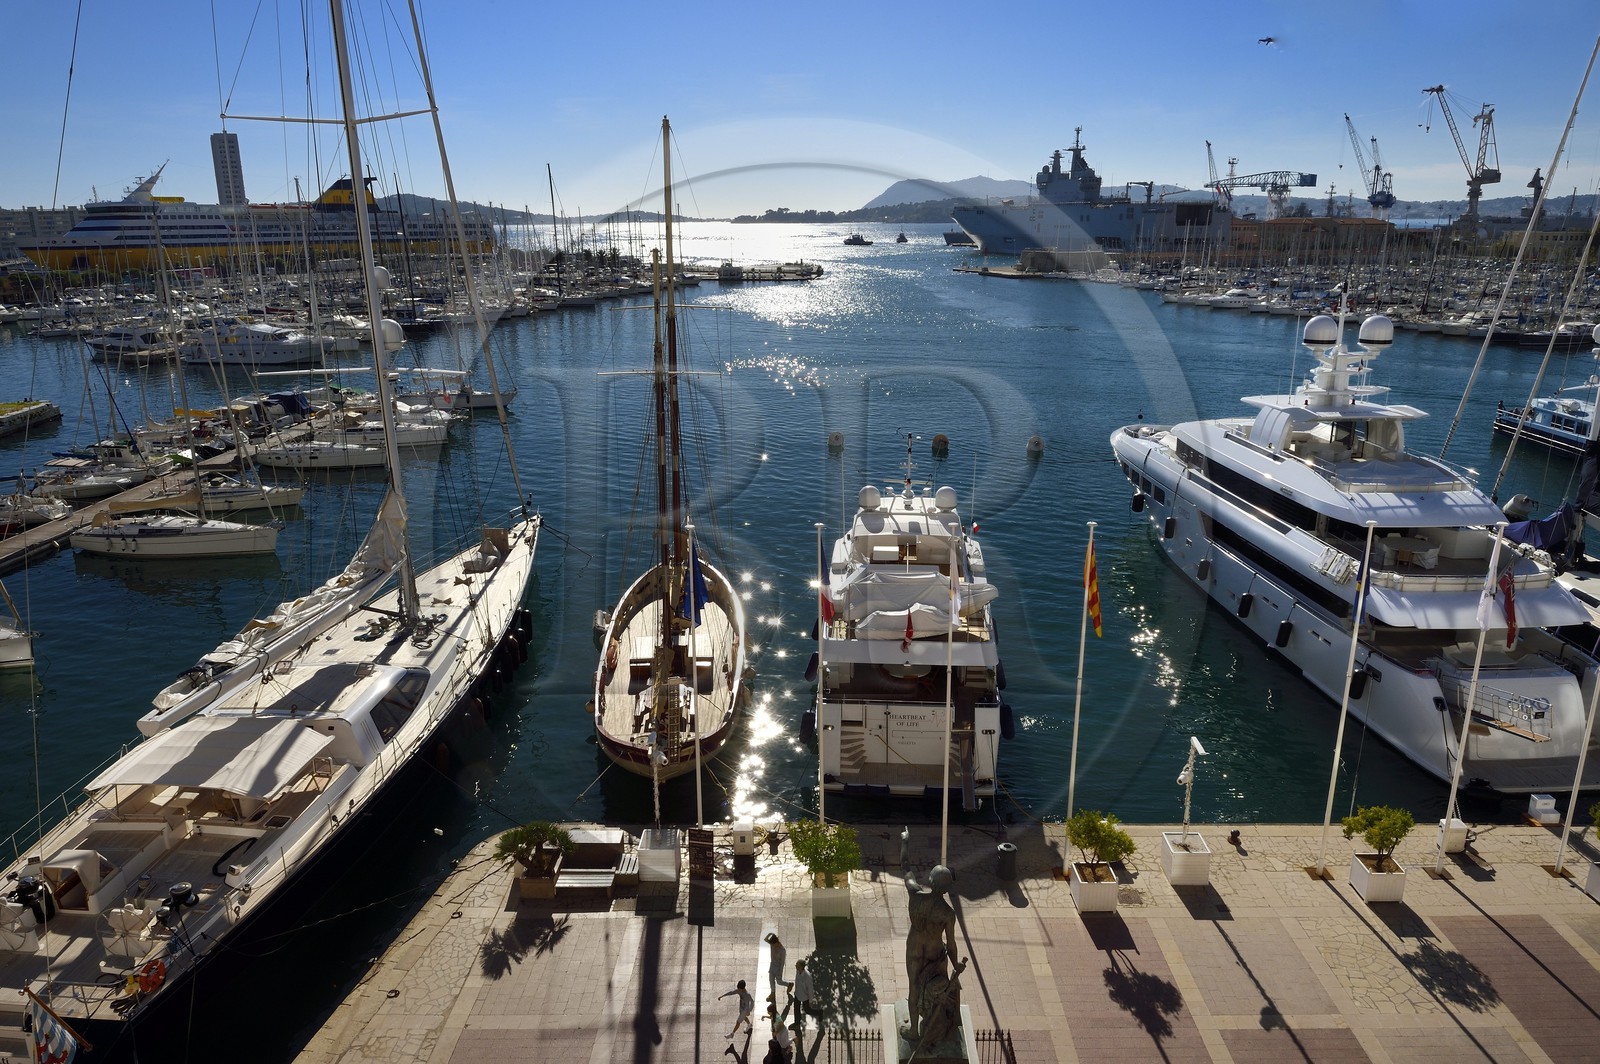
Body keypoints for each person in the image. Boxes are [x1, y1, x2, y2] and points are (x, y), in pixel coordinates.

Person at [899, 827, 960, 1041]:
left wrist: (905, 841)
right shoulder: (948, 914)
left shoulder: (915, 895)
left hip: (914, 950)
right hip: (935, 953)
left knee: (914, 988)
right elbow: (950, 944)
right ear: (947, 889)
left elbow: (905, 866)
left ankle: (914, 1031)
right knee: (936, 985)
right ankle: (933, 1021)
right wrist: (955, 963)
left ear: (930, 881)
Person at [764, 932, 790, 1001]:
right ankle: (772, 995)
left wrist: (780, 972)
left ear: (776, 942)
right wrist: (770, 933)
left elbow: (782, 962)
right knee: (771, 981)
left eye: (773, 944)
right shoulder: (772, 944)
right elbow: (765, 939)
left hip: (778, 968)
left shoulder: (782, 950)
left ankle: (789, 984)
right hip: (772, 965)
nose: (772, 946)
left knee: (779, 982)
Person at [791, 958, 815, 1030]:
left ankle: (819, 1013)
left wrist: (810, 1001)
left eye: (797, 965)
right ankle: (797, 1023)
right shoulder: (798, 971)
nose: (795, 966)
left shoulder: (807, 977)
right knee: (796, 1008)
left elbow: (810, 989)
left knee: (807, 1010)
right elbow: (797, 982)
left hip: (805, 997)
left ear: (801, 967)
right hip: (798, 994)